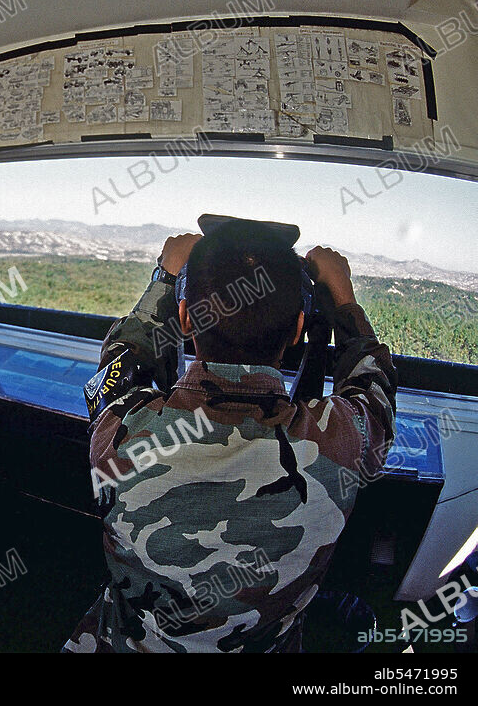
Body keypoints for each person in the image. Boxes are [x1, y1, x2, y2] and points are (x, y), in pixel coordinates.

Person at [63, 219, 396, 652]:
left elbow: (121, 363)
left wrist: (165, 278)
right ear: (297, 330)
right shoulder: (346, 444)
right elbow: (375, 391)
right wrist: (344, 300)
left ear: (185, 318)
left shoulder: (123, 434)